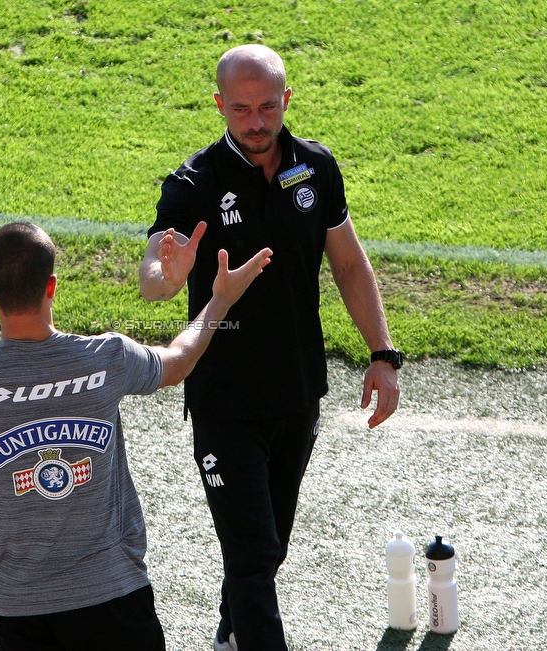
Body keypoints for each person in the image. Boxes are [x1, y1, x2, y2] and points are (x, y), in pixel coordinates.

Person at [139, 45, 402, 650]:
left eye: (266, 108)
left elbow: (349, 263)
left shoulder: (315, 167)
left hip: (296, 390)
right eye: (239, 110)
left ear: (286, 100)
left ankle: (231, 637)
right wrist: (169, 275)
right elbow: (155, 271)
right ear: (219, 106)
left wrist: (383, 354)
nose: (255, 124)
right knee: (253, 553)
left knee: (268, 546)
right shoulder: (194, 183)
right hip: (224, 398)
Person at [0, 221, 271, 651]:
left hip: (19, 608)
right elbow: (178, 361)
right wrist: (220, 300)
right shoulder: (107, 359)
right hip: (115, 595)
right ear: (52, 286)